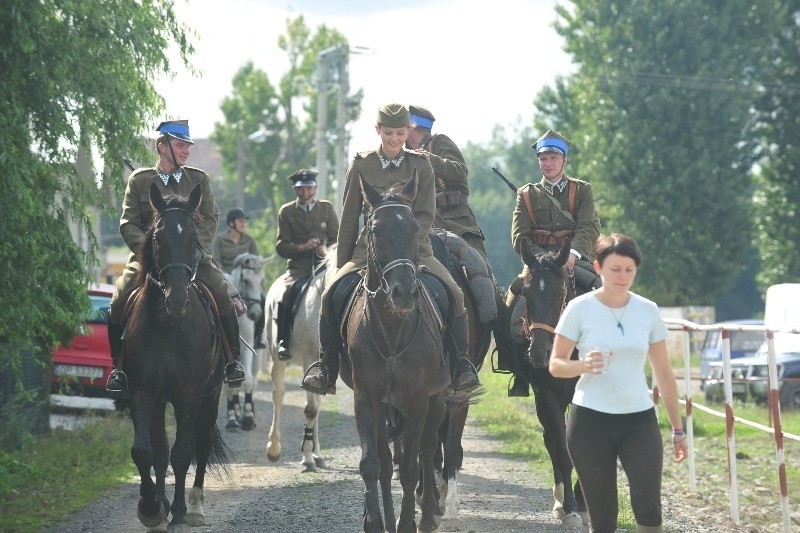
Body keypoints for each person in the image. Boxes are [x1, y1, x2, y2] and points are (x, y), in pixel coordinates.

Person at [301, 103, 480, 397]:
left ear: (407, 132)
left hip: (416, 250)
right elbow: (348, 219)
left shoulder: (421, 164)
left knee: (456, 294)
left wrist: (410, 243)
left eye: (399, 132)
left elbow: (424, 214)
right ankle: (327, 367)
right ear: (378, 131)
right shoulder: (361, 164)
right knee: (329, 294)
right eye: (388, 133)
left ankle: (460, 365)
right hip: (367, 252)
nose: (394, 139)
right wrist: (343, 263)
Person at [549, 233, 688, 533]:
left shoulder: (647, 310)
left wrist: (678, 430)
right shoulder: (579, 309)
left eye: (629, 270)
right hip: (589, 422)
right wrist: (583, 365)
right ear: (598, 268)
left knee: (649, 509)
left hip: (639, 420)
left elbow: (664, 373)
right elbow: (556, 364)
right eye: (615, 270)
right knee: (603, 518)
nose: (623, 277)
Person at [106, 119, 245, 391]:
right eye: (181, 145)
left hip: (191, 257)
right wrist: (148, 250)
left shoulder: (199, 179)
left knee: (221, 293)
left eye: (188, 146)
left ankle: (232, 361)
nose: (186, 151)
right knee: (118, 299)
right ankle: (118, 367)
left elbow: (212, 219)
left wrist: (194, 249)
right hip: (149, 257)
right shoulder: (140, 180)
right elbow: (127, 223)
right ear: (162, 146)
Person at [506, 129, 601, 397]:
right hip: (537, 265)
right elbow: (519, 236)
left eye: (553, 157)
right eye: (543, 158)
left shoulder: (582, 190)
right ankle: (518, 373)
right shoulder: (526, 194)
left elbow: (588, 227)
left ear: (564, 160)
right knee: (510, 307)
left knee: (602, 291)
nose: (547, 163)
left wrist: (572, 255)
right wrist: (540, 261)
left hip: (572, 260)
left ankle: (612, 362)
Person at [274, 169, 339, 359]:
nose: (305, 193)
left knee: (344, 287)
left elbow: (337, 238)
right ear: (295, 189)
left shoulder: (326, 208)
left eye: (309, 188)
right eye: (301, 189)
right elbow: (281, 246)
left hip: (325, 263)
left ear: (315, 188)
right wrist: (302, 247)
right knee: (286, 292)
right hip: (299, 266)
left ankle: (343, 340)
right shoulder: (286, 211)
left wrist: (326, 251)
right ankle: (283, 341)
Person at [405, 105, 486, 255]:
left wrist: (430, 159)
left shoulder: (438, 142)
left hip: (455, 221)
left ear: (412, 126)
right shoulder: (403, 155)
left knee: (479, 271)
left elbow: (460, 171)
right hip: (422, 223)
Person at [212, 208, 266, 348]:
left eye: (244, 221)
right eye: (240, 221)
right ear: (231, 223)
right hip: (226, 279)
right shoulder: (219, 239)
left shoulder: (250, 240)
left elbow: (256, 263)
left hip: (246, 282)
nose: (243, 224)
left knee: (263, 299)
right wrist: (228, 277)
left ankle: (259, 336)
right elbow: (216, 261)